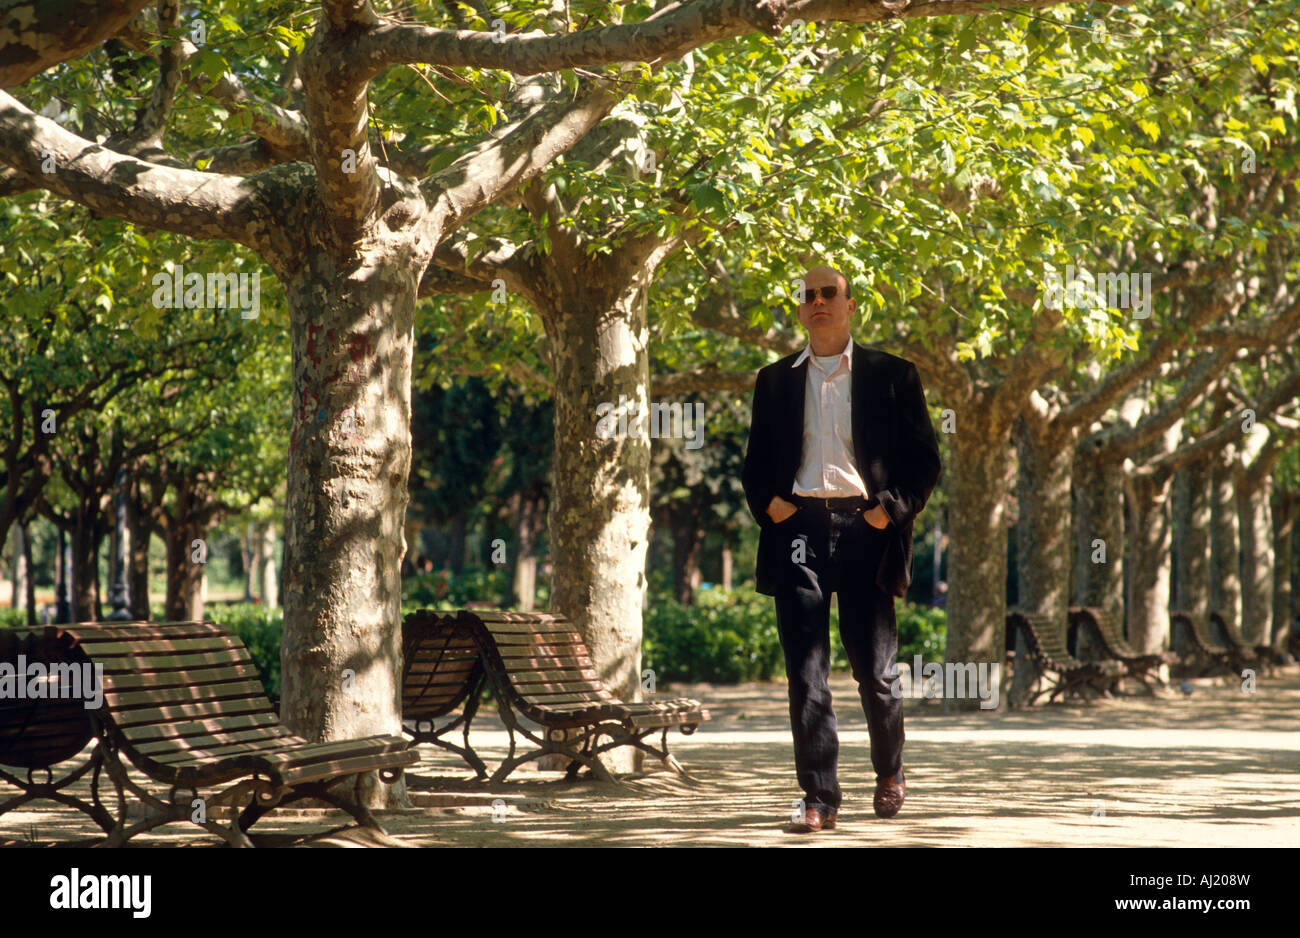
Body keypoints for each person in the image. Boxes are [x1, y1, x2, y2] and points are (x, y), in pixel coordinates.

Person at [741, 264, 942, 833]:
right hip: (797, 531)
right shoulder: (774, 380)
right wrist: (771, 506)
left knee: (874, 671)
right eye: (809, 295)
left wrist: (891, 509)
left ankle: (890, 772)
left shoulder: (893, 375)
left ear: (851, 305)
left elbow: (924, 460)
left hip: (867, 530)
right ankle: (819, 799)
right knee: (806, 672)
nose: (819, 301)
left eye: (830, 293)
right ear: (800, 310)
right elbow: (754, 463)